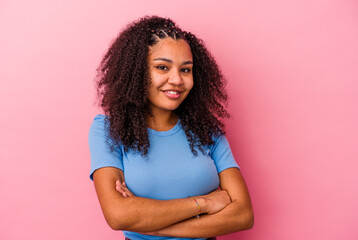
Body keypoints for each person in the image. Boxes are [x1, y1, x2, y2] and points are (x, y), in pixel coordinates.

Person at [88, 15, 254, 240]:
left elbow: (243, 215)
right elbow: (118, 215)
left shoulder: (207, 130)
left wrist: (155, 227)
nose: (176, 79)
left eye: (186, 70)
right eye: (162, 67)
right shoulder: (108, 130)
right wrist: (204, 203)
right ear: (137, 72)